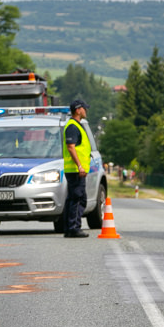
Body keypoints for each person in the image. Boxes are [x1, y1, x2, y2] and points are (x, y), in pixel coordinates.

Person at [63, 98, 91, 238]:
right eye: (84, 108)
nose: (86, 111)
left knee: (74, 198)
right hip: (75, 170)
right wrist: (80, 166)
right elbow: (71, 147)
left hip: (75, 170)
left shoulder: (76, 125)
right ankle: (74, 227)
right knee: (78, 198)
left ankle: (69, 228)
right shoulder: (73, 126)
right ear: (78, 110)